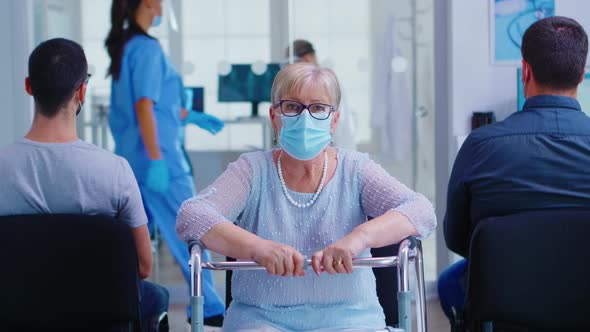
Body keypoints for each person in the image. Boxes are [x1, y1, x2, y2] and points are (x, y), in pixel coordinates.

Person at [176, 62, 437, 331]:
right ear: (274, 116)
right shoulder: (251, 171)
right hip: (261, 319)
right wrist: (258, 248)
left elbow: (421, 211)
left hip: (351, 319)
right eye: (292, 106)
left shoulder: (356, 170)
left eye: (318, 108)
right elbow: (192, 215)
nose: (305, 118)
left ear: (334, 120)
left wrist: (358, 238)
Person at [0, 38, 169, 327]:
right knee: (154, 294)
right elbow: (142, 266)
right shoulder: (114, 171)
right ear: (82, 91)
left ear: (29, 86)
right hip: (97, 317)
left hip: (16, 316)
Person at [439, 16, 590, 327]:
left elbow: (456, 238)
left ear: (525, 71)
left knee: (447, 285)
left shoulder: (481, 145)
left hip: (503, 312)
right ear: (583, 72)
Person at [105, 0, 226, 325]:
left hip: (135, 160)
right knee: (192, 229)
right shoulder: (145, 49)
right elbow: (144, 108)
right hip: (159, 162)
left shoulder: (130, 46)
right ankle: (210, 307)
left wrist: (191, 116)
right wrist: (158, 160)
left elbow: (156, 108)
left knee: (134, 240)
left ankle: (130, 307)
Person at [290, 39, 358, 150]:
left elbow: (335, 122)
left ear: (306, 58)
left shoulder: (324, 82)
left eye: (292, 62)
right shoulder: (320, 80)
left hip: (335, 147)